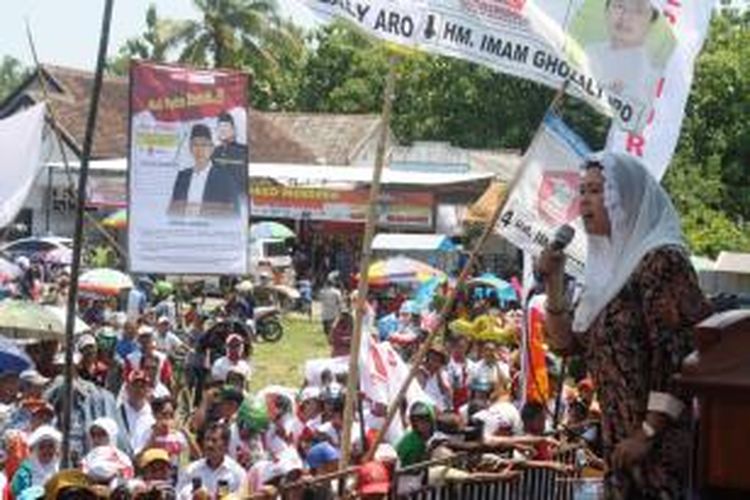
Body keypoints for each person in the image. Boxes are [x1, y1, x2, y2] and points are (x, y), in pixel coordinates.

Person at [538, 152, 712, 498]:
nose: (584, 200)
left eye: (595, 191)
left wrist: (647, 432)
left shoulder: (662, 261)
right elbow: (565, 346)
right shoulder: (605, 270)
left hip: (660, 448)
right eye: (581, 191)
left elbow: (679, 357)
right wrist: (554, 281)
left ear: (625, 198)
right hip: (619, 446)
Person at [583, 0, 663, 110]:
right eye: (619, 6)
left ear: (651, 23)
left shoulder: (648, 77)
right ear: (606, 10)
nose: (625, 16)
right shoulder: (590, 51)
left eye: (638, 11)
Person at [169, 123, 241, 217]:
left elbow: (234, 214)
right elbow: (173, 210)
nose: (200, 150)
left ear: (211, 149)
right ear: (190, 149)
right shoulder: (182, 176)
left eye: (204, 145)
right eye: (195, 145)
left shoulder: (225, 179)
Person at [177, 422, 247, 498]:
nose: (209, 444)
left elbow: (244, 497)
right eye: (207, 439)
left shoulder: (237, 473)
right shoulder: (192, 470)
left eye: (214, 440)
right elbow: (178, 495)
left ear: (225, 445)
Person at [10, 425, 61, 496]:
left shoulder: (61, 468)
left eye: (51, 446)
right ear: (35, 450)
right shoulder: (24, 474)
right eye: (42, 447)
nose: (47, 450)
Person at [119, 370, 155, 453]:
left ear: (148, 389)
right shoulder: (118, 412)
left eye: (143, 386)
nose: (139, 390)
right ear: (127, 388)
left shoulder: (154, 414)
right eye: (135, 385)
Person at [212, 111, 248, 186]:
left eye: (225, 126)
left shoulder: (244, 151)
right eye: (220, 126)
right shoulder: (213, 153)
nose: (222, 129)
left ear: (233, 129)